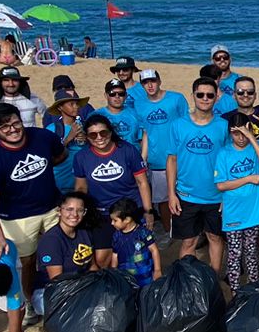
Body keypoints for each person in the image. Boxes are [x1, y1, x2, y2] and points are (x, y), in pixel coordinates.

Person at [0, 102, 67, 318]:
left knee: (63, 251)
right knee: (27, 261)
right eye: (4, 127)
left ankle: (63, 294)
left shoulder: (42, 137)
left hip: (52, 207)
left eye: (15, 122)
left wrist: (42, 168)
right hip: (16, 217)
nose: (12, 129)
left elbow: (60, 154)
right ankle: (29, 303)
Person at [166, 77, 231, 271]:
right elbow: (172, 160)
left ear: (216, 98)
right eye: (200, 94)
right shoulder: (178, 125)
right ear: (193, 95)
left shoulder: (223, 125)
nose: (205, 98)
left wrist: (226, 195)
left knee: (215, 238)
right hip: (186, 195)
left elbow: (229, 161)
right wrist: (171, 194)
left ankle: (214, 278)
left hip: (216, 195)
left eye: (209, 95)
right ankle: (188, 280)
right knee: (188, 242)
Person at [214, 114, 259, 289]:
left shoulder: (257, 145)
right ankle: (235, 292)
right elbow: (221, 185)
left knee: (251, 250)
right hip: (233, 211)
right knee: (234, 253)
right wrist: (248, 179)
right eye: (235, 133)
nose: (240, 138)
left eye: (242, 133)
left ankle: (253, 287)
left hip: (253, 211)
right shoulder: (224, 153)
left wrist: (251, 136)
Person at [73, 114, 151, 222]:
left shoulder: (128, 150)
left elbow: (142, 182)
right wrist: (79, 212)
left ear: (110, 132)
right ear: (87, 137)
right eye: (93, 135)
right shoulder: (81, 157)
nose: (99, 138)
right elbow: (81, 188)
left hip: (131, 211)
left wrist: (148, 211)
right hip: (101, 212)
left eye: (103, 133)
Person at [134, 68, 187, 224]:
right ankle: (167, 231)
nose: (149, 85)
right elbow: (144, 133)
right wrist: (143, 158)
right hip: (156, 161)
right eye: (145, 82)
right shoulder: (139, 104)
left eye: (152, 81)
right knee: (163, 200)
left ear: (159, 81)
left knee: (184, 196)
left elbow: (186, 127)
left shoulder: (176, 99)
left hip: (179, 158)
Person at [35, 192, 102, 280]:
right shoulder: (51, 241)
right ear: (59, 211)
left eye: (80, 210)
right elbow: (57, 280)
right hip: (57, 290)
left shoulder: (84, 232)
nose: (75, 214)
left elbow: (92, 266)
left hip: (83, 284)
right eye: (69, 209)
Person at [44, 88, 90, 191]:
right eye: (71, 104)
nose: (76, 107)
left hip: (85, 185)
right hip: (60, 186)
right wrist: (68, 138)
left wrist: (88, 139)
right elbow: (46, 158)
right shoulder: (52, 129)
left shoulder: (87, 126)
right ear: (60, 107)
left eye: (77, 103)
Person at [108, 199, 162, 285]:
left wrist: (157, 270)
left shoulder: (143, 233)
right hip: (126, 278)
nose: (112, 223)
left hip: (146, 276)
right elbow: (115, 255)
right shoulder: (116, 236)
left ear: (127, 219)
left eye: (115, 220)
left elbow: (154, 250)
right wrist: (114, 273)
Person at [94, 79, 144, 149]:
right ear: (106, 95)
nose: (117, 96)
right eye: (112, 94)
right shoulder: (96, 115)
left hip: (133, 157)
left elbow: (142, 140)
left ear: (126, 95)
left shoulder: (135, 114)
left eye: (121, 94)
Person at [222, 76, 259, 141]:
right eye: (240, 92)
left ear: (255, 95)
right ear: (234, 95)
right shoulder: (225, 119)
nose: (245, 95)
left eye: (250, 92)